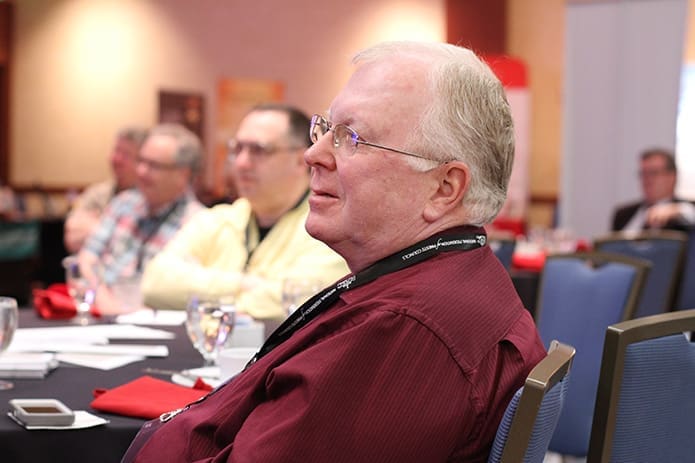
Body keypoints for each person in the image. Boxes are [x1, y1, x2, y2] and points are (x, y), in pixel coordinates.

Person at [122, 41, 546, 462]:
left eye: (351, 138)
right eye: (325, 130)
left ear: (444, 188)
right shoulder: (450, 279)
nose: (312, 155)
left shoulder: (400, 330)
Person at [141, 103, 348, 319]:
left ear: (301, 159)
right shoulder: (218, 219)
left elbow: (296, 303)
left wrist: (200, 293)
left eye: (259, 150)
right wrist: (243, 284)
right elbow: (154, 284)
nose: (241, 163)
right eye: (237, 149)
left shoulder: (328, 228)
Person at [78, 123, 204, 314]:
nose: (141, 172)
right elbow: (87, 259)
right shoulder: (123, 204)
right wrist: (106, 302)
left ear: (182, 175)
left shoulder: (200, 223)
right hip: (100, 315)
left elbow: (187, 294)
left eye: (154, 166)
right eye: (141, 161)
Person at [64, 126, 149, 253]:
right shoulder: (97, 194)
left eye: (126, 154)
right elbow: (72, 239)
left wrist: (96, 227)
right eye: (116, 151)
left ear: (141, 161)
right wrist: (121, 233)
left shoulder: (149, 197)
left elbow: (142, 248)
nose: (116, 159)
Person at [611, 148, 695, 232]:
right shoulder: (623, 214)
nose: (647, 179)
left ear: (672, 176)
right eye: (643, 173)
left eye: (653, 173)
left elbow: (690, 213)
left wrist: (678, 210)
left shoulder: (684, 210)